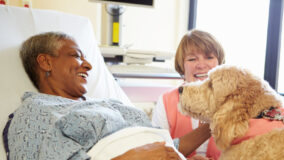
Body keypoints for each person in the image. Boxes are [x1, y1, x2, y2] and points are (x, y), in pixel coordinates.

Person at [3, 32, 212, 160]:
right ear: (46, 62)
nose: (88, 64)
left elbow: (169, 146)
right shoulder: (36, 111)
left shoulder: (110, 103)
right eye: (76, 56)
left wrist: (217, 122)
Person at [151, 29, 225, 160]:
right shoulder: (167, 101)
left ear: (219, 63)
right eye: (192, 59)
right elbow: (157, 152)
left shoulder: (232, 100)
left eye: (209, 57)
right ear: (182, 65)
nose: (201, 65)